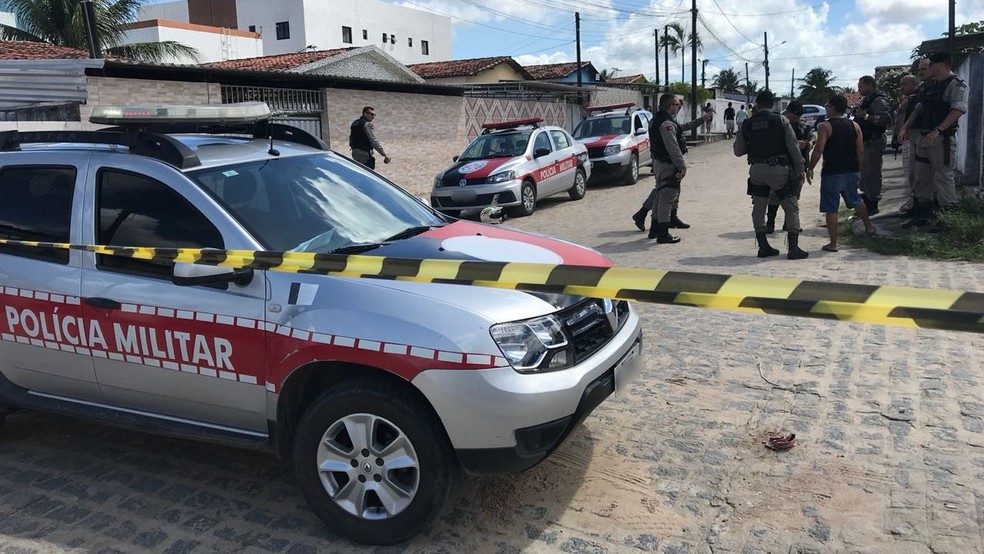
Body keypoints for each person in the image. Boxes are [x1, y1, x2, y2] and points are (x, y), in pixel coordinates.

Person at [734, 90, 808, 260]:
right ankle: (793, 249)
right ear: (772, 103)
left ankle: (763, 247)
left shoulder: (747, 123)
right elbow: (793, 147)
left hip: (756, 171)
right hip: (779, 171)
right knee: (791, 207)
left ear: (757, 104)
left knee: (759, 209)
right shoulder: (780, 120)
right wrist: (800, 168)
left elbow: (738, 151)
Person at [900, 51, 968, 228]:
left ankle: (948, 220)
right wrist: (905, 126)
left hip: (941, 140)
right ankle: (923, 215)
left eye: (931, 65)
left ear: (941, 65)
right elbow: (920, 108)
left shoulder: (955, 85)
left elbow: (958, 110)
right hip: (924, 137)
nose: (928, 68)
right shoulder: (931, 86)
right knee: (922, 176)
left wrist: (938, 130)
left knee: (943, 176)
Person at [630, 93, 710, 243]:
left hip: (659, 162)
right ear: (670, 106)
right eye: (676, 104)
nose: (678, 106)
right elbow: (673, 147)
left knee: (661, 195)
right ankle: (663, 233)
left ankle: (655, 228)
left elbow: (681, 128)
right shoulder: (666, 123)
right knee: (667, 196)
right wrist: (682, 166)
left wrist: (701, 120)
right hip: (667, 163)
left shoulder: (658, 119)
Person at [807, 95, 875, 252]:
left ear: (832, 107)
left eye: (828, 106)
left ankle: (833, 243)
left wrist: (810, 167)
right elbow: (860, 149)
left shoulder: (825, 127)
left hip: (832, 171)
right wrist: (860, 167)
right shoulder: (855, 125)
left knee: (831, 207)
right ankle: (869, 227)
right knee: (856, 199)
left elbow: (818, 150)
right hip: (851, 169)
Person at [765, 101, 815, 234]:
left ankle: (789, 224)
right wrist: (794, 143)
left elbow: (813, 135)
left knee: (794, 196)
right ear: (788, 113)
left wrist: (810, 142)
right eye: (794, 117)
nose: (796, 120)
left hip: (798, 167)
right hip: (780, 166)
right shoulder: (778, 125)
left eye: (798, 117)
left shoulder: (803, 127)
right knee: (774, 196)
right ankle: (770, 224)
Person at [853, 75, 892, 215]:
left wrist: (867, 117)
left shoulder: (879, 100)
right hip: (865, 141)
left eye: (861, 86)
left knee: (872, 173)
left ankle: (873, 203)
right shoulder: (867, 100)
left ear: (869, 84)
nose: (859, 89)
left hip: (874, 141)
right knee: (864, 174)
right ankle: (866, 202)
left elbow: (886, 118)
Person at [893, 73, 919, 211]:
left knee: (912, 173)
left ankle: (915, 201)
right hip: (904, 141)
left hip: (911, 140)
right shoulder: (906, 100)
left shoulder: (916, 100)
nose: (901, 87)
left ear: (914, 84)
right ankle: (912, 199)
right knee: (908, 173)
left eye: (905, 84)